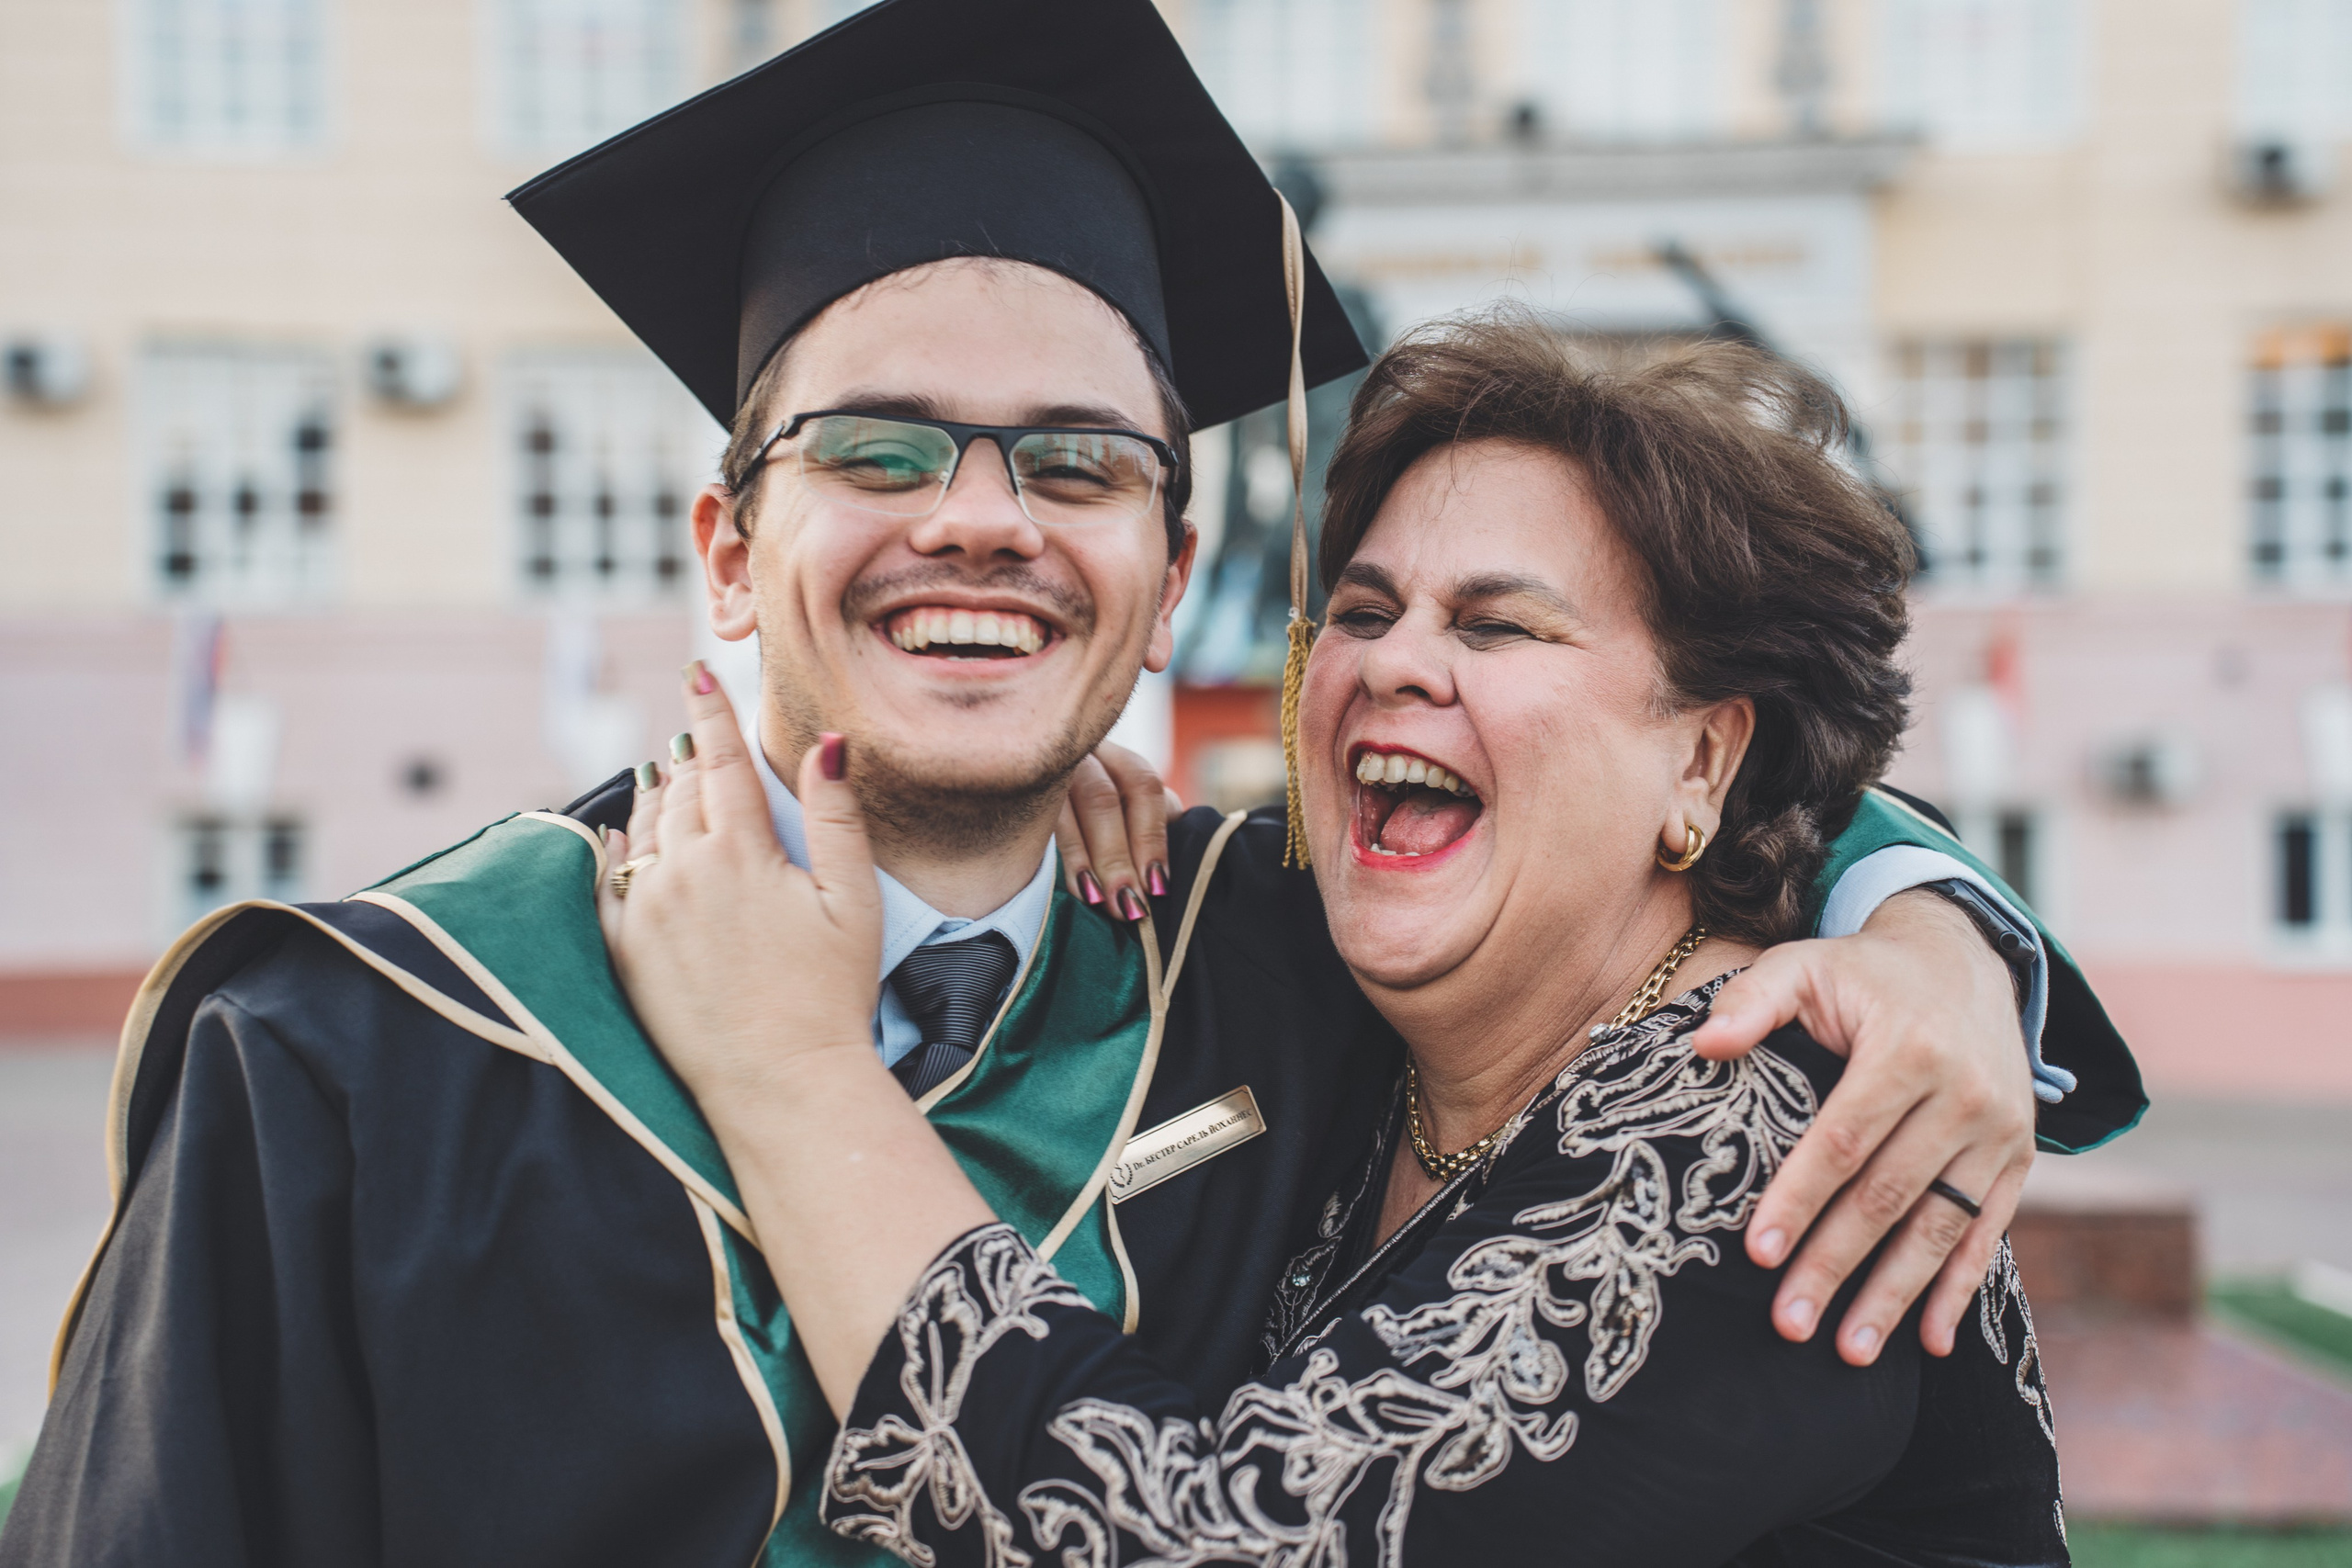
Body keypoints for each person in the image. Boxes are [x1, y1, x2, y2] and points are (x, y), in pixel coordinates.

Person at [0, 3, 2138, 1564]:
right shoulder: (349, 1049)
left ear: (1166, 571)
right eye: (881, 445)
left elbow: (1676, 816)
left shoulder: (1283, 979)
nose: (983, 518)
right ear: (729, 543)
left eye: (1077, 462)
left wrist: (1925, 921)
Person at [606, 315, 2077, 1566]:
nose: (1391, 666)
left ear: (1702, 763)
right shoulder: (1358, 1006)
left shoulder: (1764, 1132)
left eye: (1499, 627)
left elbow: (1201, 1538)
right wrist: (1019, 761)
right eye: (1364, 612)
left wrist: (790, 1068)